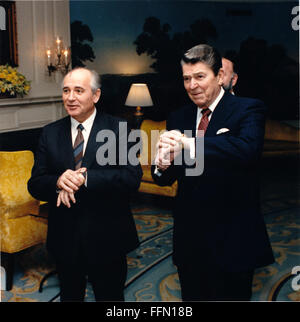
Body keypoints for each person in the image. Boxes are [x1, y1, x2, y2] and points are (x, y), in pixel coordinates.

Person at [152, 44, 274, 301]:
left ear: (219, 76)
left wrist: (190, 143)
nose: (192, 85)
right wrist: (162, 164)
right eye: (186, 78)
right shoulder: (179, 117)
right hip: (190, 240)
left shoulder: (248, 109)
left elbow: (246, 150)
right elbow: (165, 178)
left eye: (199, 77)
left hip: (234, 239)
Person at [28, 67, 142, 302]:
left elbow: (132, 178)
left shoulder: (119, 129)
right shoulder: (50, 133)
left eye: (79, 90)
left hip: (108, 236)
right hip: (65, 237)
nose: (70, 97)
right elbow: (35, 183)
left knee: (110, 298)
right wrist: (58, 181)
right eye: (66, 90)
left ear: (96, 95)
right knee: (70, 297)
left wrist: (86, 178)